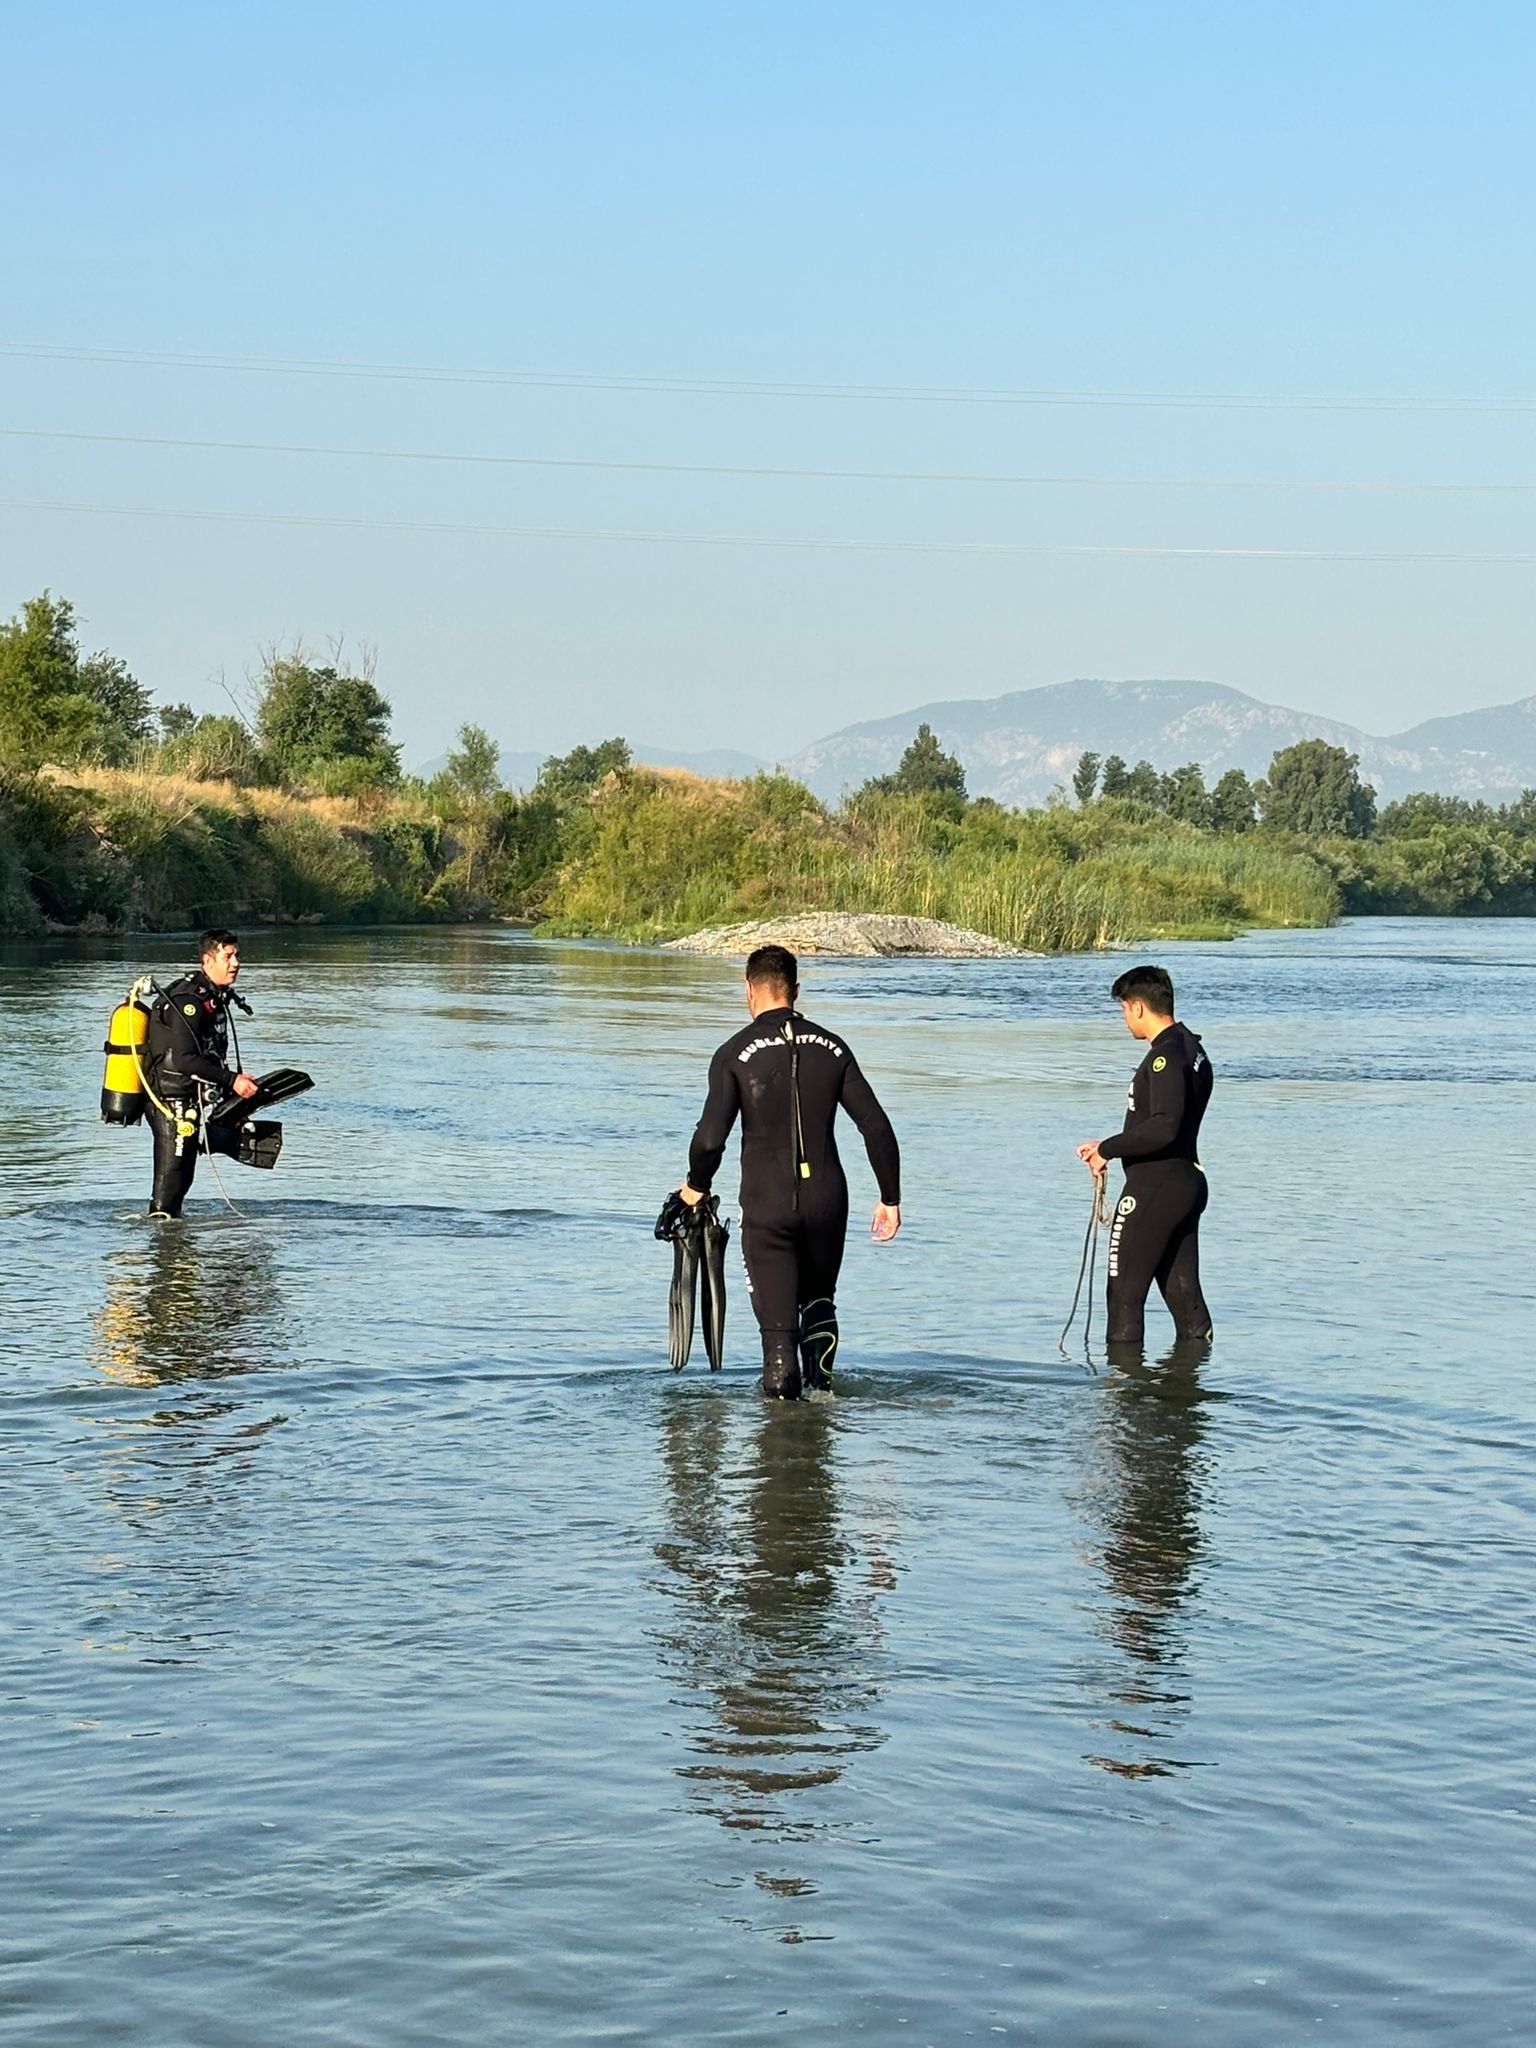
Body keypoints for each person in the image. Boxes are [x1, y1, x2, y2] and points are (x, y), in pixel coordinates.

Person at [680, 944, 902, 1399]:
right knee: (819, 1304)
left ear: (748, 990)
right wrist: (889, 1198)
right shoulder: (834, 1047)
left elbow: (709, 1141)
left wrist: (695, 1187)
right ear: (796, 991)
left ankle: (786, 1439)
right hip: (827, 1203)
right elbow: (877, 1127)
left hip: (767, 1207)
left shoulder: (733, 1054)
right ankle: (822, 1408)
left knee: (779, 1331)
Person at [1077, 964, 1213, 1350]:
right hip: (1185, 1184)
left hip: (1155, 1188)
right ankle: (1186, 1399)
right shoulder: (1192, 1048)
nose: (1124, 1019)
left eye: (1123, 1009)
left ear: (1138, 1007)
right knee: (1186, 1302)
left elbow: (1164, 1126)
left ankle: (1124, 1402)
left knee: (1123, 1297)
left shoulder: (1165, 1058)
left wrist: (1107, 1148)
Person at [141, 928, 258, 1218]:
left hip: (189, 1102)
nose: (235, 963)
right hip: (168, 1103)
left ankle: (179, 1248)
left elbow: (209, 1055)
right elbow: (183, 1060)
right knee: (169, 1190)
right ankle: (164, 1253)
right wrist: (232, 1080)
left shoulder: (215, 997)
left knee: (182, 1182)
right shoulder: (187, 1001)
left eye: (237, 955)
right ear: (207, 961)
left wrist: (233, 1088)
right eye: (228, 956)